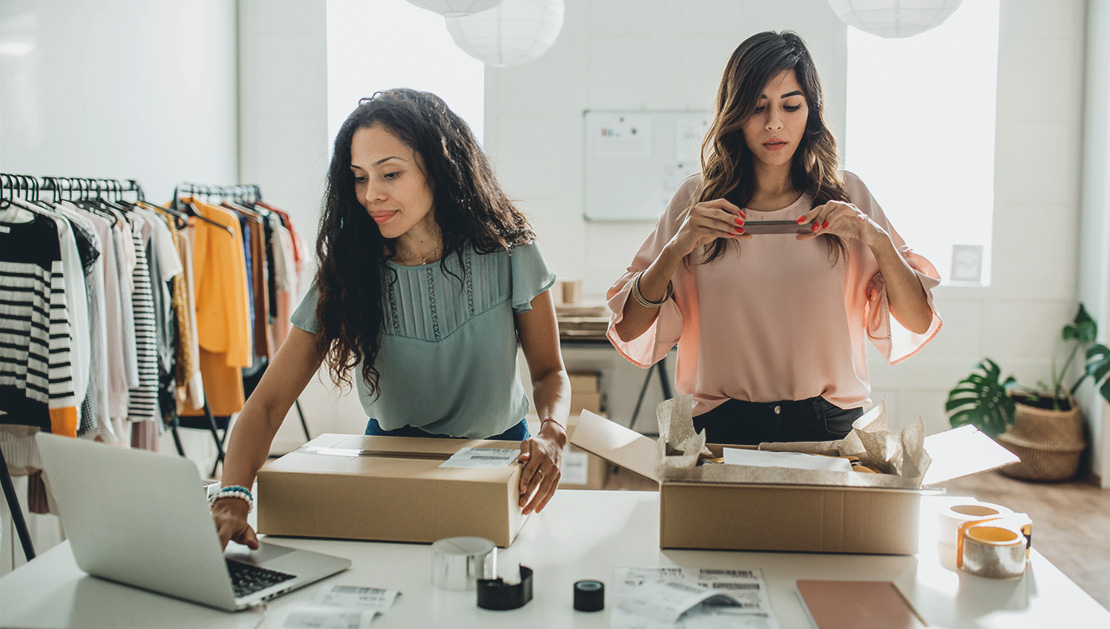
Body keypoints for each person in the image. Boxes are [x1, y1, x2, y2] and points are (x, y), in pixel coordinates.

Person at [212, 89, 570, 549]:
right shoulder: (347, 270)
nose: (370, 194)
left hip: (500, 459)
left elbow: (549, 371)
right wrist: (233, 494)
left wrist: (553, 431)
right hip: (388, 457)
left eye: (391, 174)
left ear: (440, 169)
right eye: (359, 178)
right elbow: (266, 404)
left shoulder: (510, 250)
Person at [607, 31, 941, 446]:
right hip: (723, 427)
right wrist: (676, 247)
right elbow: (629, 329)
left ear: (811, 111)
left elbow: (918, 319)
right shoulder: (696, 201)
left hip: (831, 426)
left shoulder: (847, 196)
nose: (774, 123)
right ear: (735, 113)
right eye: (757, 107)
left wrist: (875, 238)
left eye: (790, 105)